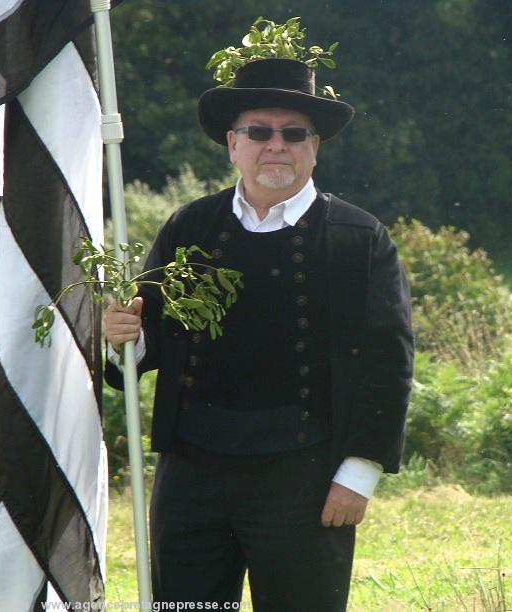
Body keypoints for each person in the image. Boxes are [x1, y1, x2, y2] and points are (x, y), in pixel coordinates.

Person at [104, 57, 414, 611]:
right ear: (232, 143)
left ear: (314, 147)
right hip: (191, 474)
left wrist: (360, 471)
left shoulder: (359, 238)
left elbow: (388, 362)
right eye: (259, 132)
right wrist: (120, 333)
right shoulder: (188, 227)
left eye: (294, 133)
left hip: (307, 476)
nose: (277, 145)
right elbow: (146, 343)